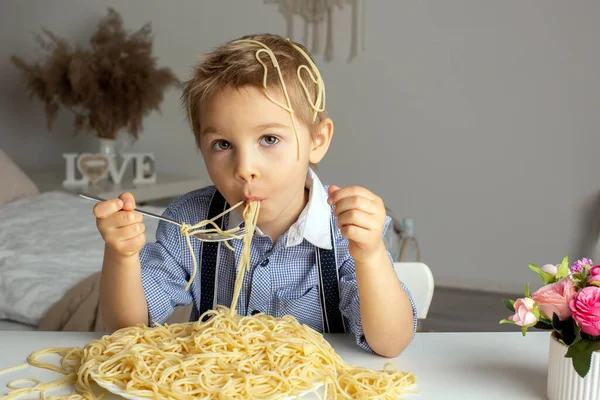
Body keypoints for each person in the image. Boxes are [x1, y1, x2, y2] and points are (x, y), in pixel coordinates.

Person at [93, 33, 416, 357]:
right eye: (223, 144)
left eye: (269, 139)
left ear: (317, 140)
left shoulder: (344, 231)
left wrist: (371, 256)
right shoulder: (189, 222)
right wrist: (121, 256)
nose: (244, 168)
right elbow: (127, 330)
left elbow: (390, 343)